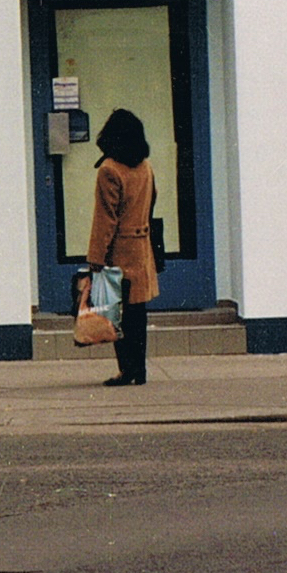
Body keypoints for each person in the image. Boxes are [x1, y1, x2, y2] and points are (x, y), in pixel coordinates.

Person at [87, 109, 160, 387]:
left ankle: (125, 370)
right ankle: (139, 371)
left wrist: (96, 256)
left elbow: (106, 218)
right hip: (141, 247)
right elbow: (151, 203)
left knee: (117, 314)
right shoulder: (146, 167)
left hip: (119, 250)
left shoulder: (109, 169)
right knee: (137, 313)